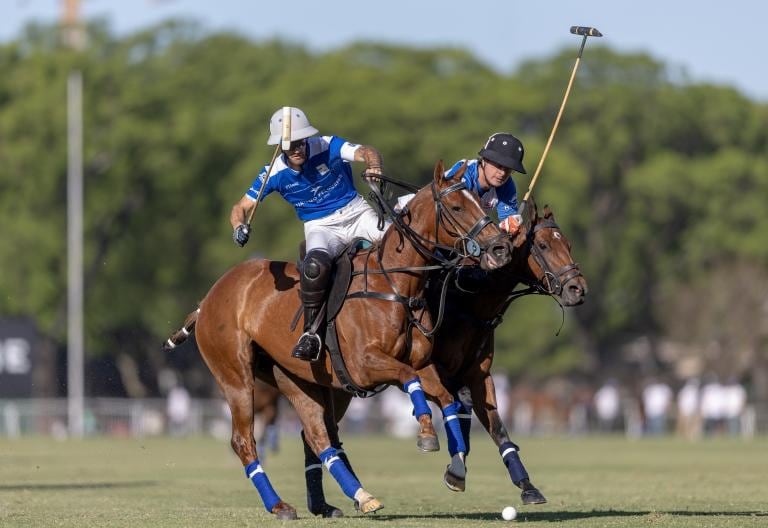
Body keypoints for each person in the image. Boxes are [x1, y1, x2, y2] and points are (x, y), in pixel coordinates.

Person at [230, 107, 386, 361]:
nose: (297, 149)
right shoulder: (273, 173)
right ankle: (311, 333)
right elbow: (241, 208)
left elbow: (366, 151)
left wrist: (374, 165)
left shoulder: (326, 145)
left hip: (357, 212)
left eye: (301, 142)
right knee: (314, 267)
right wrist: (239, 226)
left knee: (399, 243)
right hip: (320, 226)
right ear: (280, 146)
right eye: (290, 145)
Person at [445, 133, 527, 234]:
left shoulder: (507, 185)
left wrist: (509, 226)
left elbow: (508, 223)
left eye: (508, 169)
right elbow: (452, 217)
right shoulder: (463, 173)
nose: (502, 173)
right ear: (485, 159)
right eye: (499, 165)